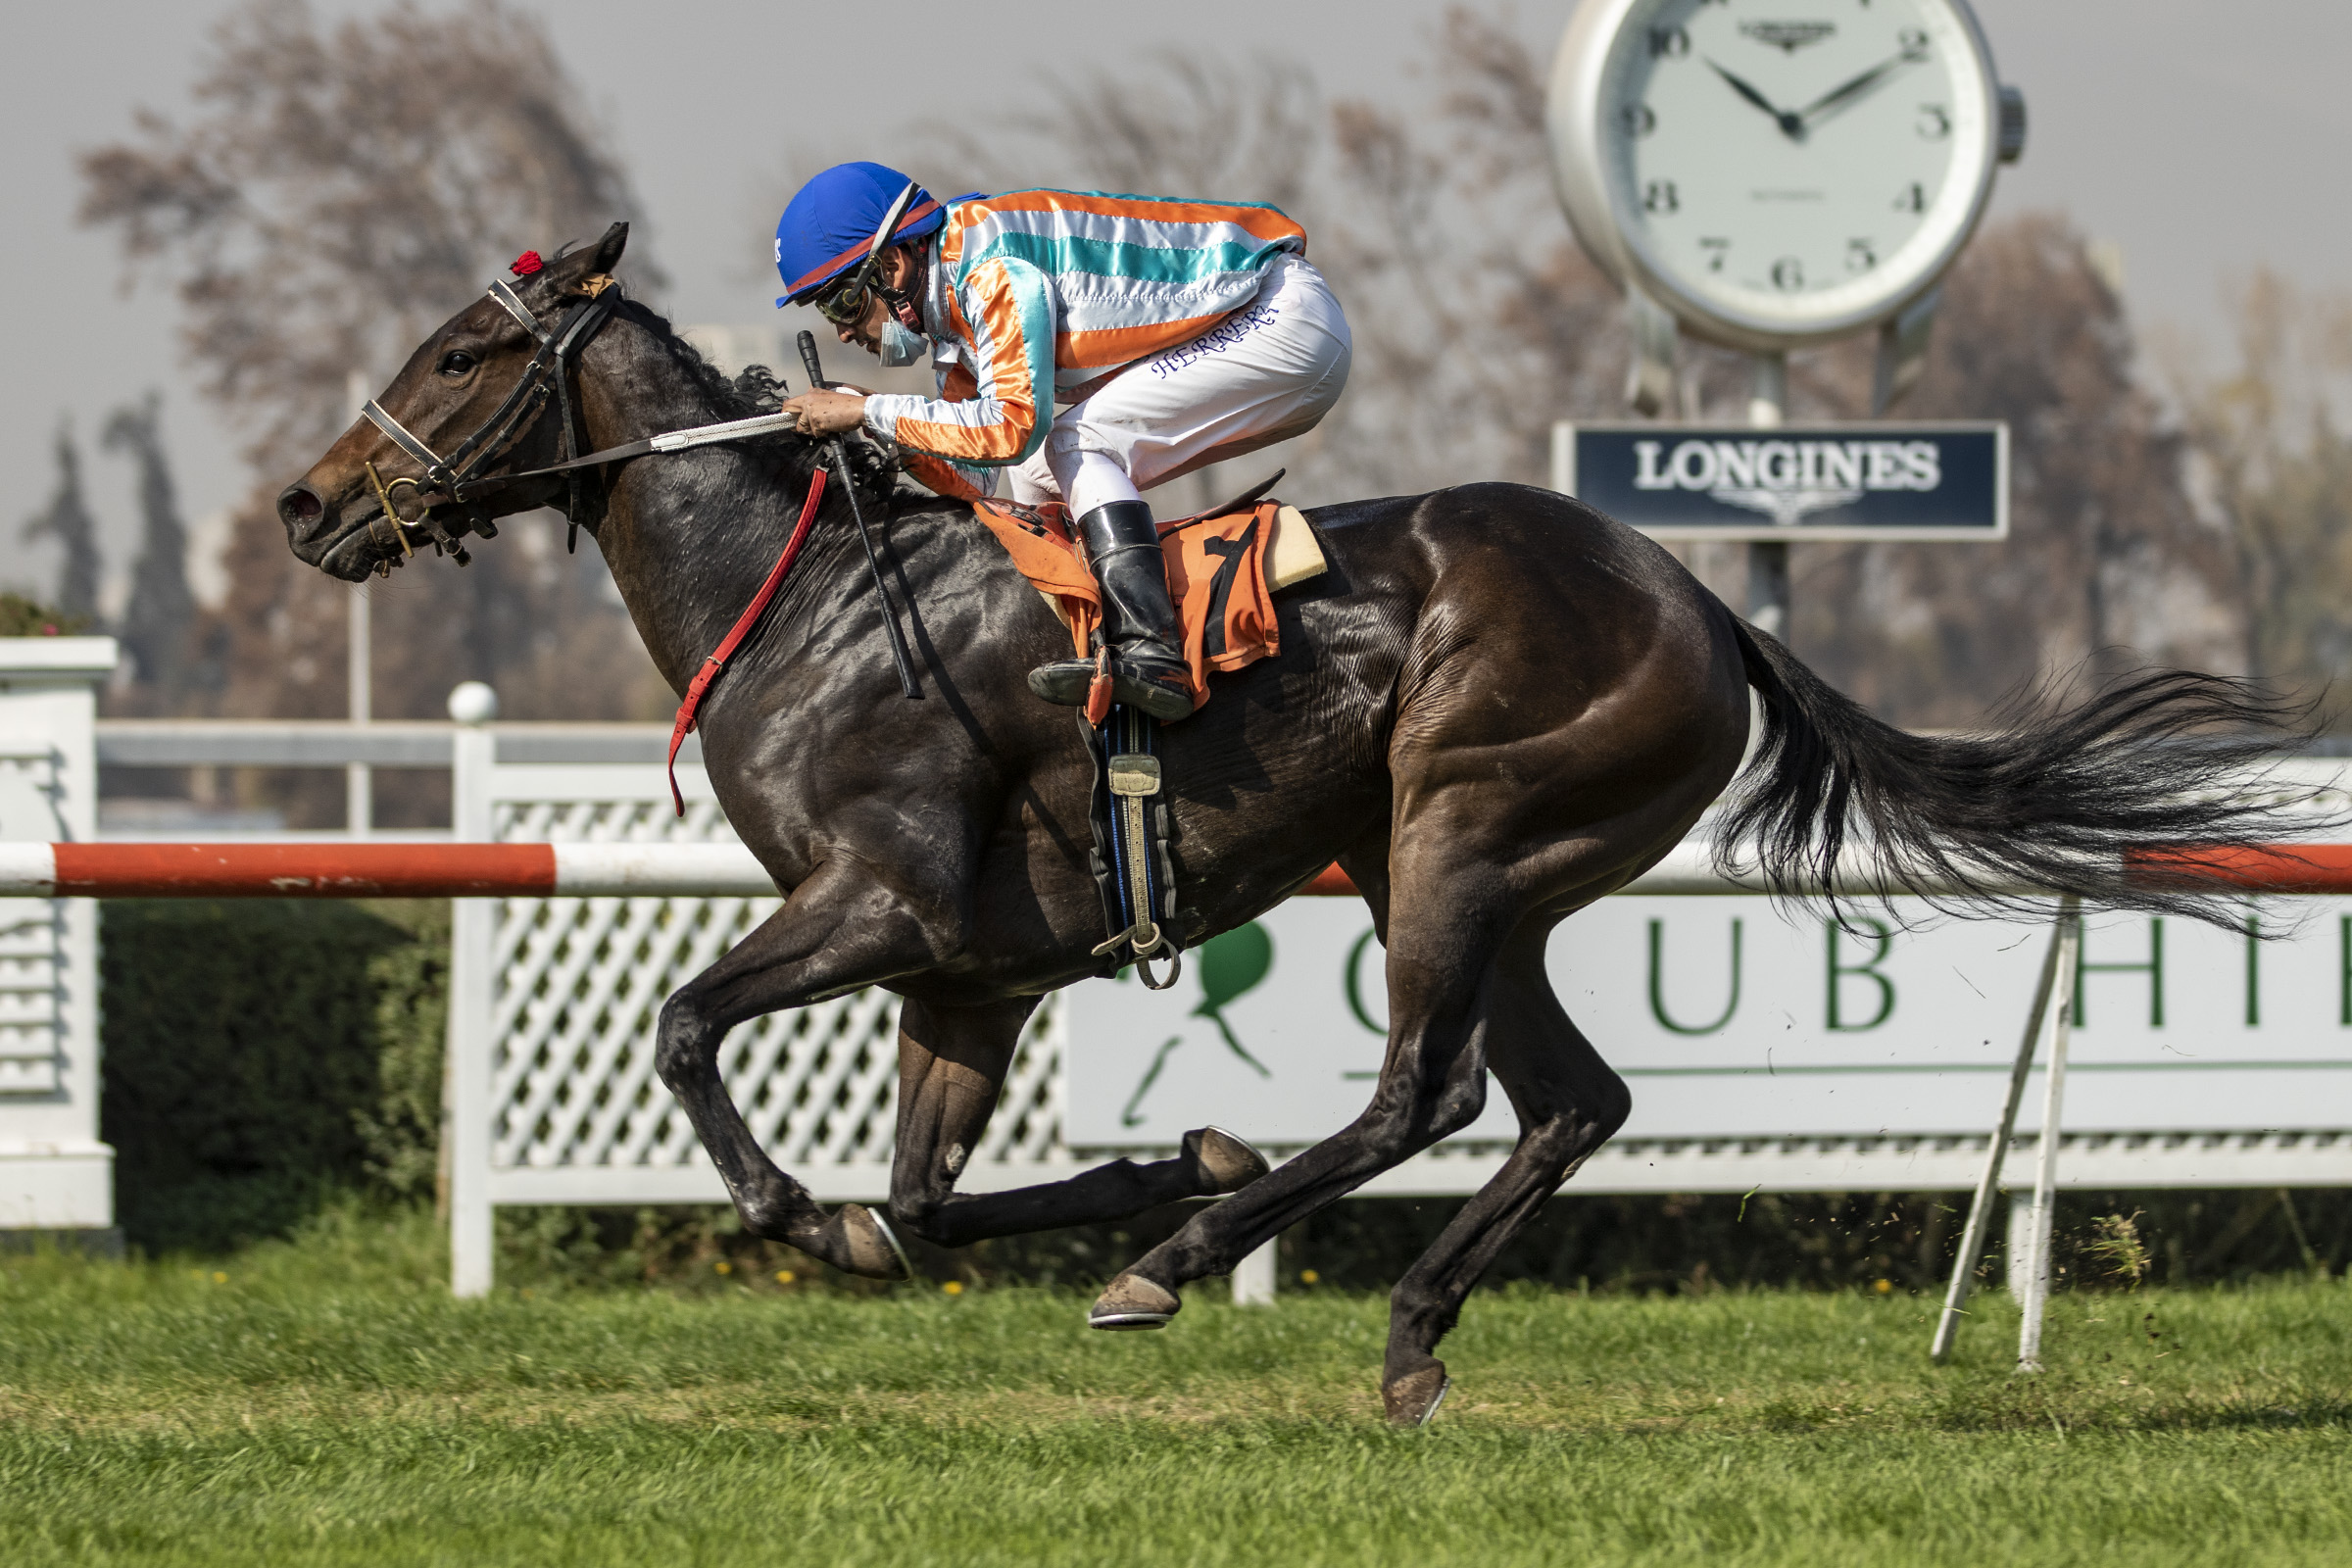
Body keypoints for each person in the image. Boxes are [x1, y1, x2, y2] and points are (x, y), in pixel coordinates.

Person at [773, 162, 1351, 721]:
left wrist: (871, 410)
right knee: (1036, 477)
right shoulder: (952, 314)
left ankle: (1150, 651)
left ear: (892, 264)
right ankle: (1091, 650)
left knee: (1071, 444)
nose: (842, 331)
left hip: (1279, 316)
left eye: (842, 302)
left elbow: (1011, 427)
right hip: (1267, 330)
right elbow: (977, 477)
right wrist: (878, 428)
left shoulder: (987, 272)